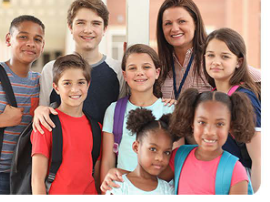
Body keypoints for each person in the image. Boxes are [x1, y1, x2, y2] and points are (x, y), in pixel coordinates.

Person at [101, 89, 256, 195]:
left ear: (231, 126)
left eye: (220, 124)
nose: (209, 131)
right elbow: (148, 179)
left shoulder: (236, 170)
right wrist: (119, 173)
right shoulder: (180, 156)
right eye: (202, 122)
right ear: (191, 123)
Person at [33, 0, 126, 133]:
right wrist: (39, 111)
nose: (88, 30)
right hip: (61, 152)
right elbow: (43, 112)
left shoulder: (118, 70)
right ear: (70, 27)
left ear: (105, 28)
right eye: (81, 23)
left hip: (104, 153)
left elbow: (120, 119)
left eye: (96, 23)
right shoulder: (51, 69)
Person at [0, 15, 45, 194]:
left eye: (37, 39)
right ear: (9, 39)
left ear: (42, 46)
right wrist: (1, 120)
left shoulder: (41, 83)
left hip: (25, 175)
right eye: (23, 36)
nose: (31, 43)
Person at [100, 44, 179, 187]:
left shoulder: (171, 110)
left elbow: (176, 161)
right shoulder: (114, 110)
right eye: (132, 68)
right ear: (124, 75)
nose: (139, 72)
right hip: (123, 191)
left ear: (157, 72)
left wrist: (142, 182)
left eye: (146, 67)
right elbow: (107, 161)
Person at [156, 0, 261, 100]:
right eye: (168, 23)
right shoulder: (159, 65)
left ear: (195, 23)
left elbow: (257, 76)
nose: (174, 29)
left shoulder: (212, 59)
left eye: (182, 21)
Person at [31, 53, 101, 194]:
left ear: (88, 85)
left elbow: (97, 176)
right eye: (67, 83)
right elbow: (37, 180)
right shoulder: (46, 124)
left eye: (80, 82)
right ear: (56, 87)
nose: (74, 89)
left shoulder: (96, 128)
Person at [203, 27, 261, 192]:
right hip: (216, 180)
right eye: (211, 55)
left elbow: (259, 159)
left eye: (225, 56)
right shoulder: (210, 96)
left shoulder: (245, 98)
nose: (215, 61)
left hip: (241, 183)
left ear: (239, 62)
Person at [106, 108, 176, 195]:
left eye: (167, 152)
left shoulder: (167, 190)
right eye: (153, 149)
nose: (160, 158)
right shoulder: (119, 186)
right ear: (136, 147)